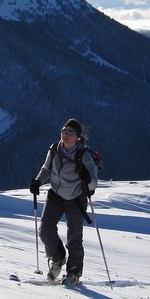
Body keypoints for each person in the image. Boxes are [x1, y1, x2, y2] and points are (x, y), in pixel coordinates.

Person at [29, 118, 98, 286]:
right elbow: (46, 169)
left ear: (78, 137)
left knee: (74, 236)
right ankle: (58, 258)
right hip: (56, 194)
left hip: (76, 197)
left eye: (69, 133)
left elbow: (93, 183)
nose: (65, 135)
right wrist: (38, 181)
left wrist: (87, 178)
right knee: (45, 230)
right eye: (63, 132)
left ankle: (74, 272)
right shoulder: (54, 149)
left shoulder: (84, 155)